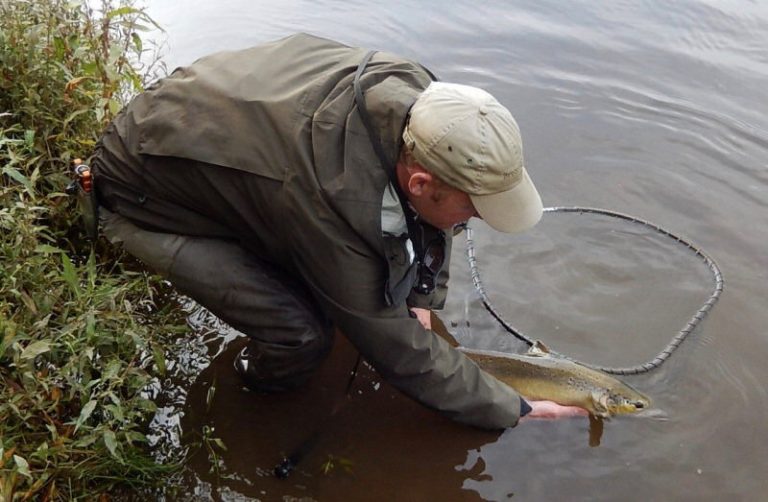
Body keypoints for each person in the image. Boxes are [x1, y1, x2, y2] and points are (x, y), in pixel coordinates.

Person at [91, 33, 585, 430]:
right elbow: (393, 348)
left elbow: (434, 214)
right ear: (419, 181)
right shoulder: (330, 201)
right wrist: (510, 407)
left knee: (356, 274)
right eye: (474, 211)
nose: (473, 221)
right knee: (303, 334)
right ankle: (248, 401)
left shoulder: (425, 108)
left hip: (202, 135)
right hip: (136, 194)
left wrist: (422, 297)